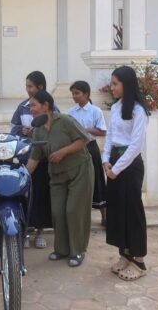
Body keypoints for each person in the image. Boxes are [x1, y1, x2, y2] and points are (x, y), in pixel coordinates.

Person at [26, 90, 93, 267]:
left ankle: (77, 251)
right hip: (56, 175)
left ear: (45, 106)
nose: (31, 109)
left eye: (33, 105)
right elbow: (34, 158)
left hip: (79, 171)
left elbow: (84, 140)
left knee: (73, 211)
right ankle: (62, 249)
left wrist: (63, 152)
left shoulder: (65, 120)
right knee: (57, 212)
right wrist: (22, 177)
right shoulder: (37, 130)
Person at [102, 66, 150, 281]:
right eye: (111, 83)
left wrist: (116, 169)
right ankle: (125, 254)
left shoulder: (139, 111)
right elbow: (110, 136)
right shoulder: (116, 107)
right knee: (117, 210)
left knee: (132, 211)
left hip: (129, 166)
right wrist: (105, 160)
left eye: (115, 84)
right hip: (113, 163)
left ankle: (139, 260)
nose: (111, 87)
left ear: (127, 85)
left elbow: (135, 146)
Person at [10, 71, 54, 249]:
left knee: (41, 196)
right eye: (26, 86)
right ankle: (25, 231)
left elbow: (53, 129)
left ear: (40, 87)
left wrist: (34, 132)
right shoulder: (21, 107)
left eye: (30, 86)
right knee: (25, 196)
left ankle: (40, 232)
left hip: (43, 160)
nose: (27, 89)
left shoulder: (51, 108)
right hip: (25, 158)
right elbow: (13, 129)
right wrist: (22, 131)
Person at [67, 80, 107, 226]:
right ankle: (80, 218)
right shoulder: (71, 112)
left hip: (91, 148)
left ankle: (105, 216)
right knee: (78, 181)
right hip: (76, 149)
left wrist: (86, 130)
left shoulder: (95, 111)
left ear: (86, 94)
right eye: (73, 93)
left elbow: (103, 131)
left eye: (77, 93)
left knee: (97, 180)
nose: (74, 96)